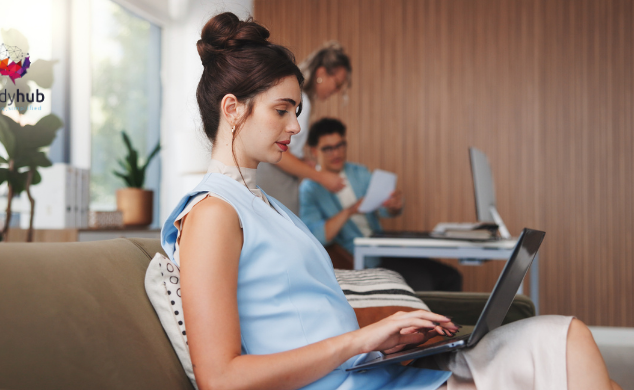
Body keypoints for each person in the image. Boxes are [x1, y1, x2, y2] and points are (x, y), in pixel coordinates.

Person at [161, 12, 621, 390]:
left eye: (296, 112)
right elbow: (220, 378)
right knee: (566, 344)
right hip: (349, 382)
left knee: (566, 346)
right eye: (282, 111)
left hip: (372, 373)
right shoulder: (212, 214)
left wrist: (390, 332)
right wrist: (363, 340)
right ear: (232, 109)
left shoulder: (265, 206)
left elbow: (309, 316)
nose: (296, 127)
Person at [300, 118, 463, 291]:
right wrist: (350, 211)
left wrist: (393, 205)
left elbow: (384, 210)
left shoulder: (358, 172)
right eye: (328, 149)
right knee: (423, 281)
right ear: (314, 151)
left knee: (451, 276)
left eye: (340, 145)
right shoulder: (310, 189)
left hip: (383, 246)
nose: (336, 153)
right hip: (360, 258)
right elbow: (316, 236)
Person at [256, 41, 352, 215]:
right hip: (275, 178)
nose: (336, 91)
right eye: (337, 84)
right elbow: (278, 151)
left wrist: (300, 162)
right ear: (321, 72)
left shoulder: (300, 100)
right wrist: (322, 177)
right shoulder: (301, 102)